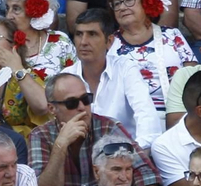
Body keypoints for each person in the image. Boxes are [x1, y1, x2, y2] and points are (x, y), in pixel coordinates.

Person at [61, 9, 163, 148]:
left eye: (92, 34)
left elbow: (146, 117)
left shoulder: (125, 68)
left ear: (109, 41)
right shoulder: (66, 76)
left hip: (124, 154)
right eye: (79, 34)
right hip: (80, 154)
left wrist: (134, 152)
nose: (83, 42)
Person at [105, 0, 200, 116]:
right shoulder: (109, 43)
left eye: (129, 0)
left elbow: (194, 77)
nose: (122, 7)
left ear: (145, 1)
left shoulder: (172, 35)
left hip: (175, 114)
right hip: (127, 119)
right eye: (117, 3)